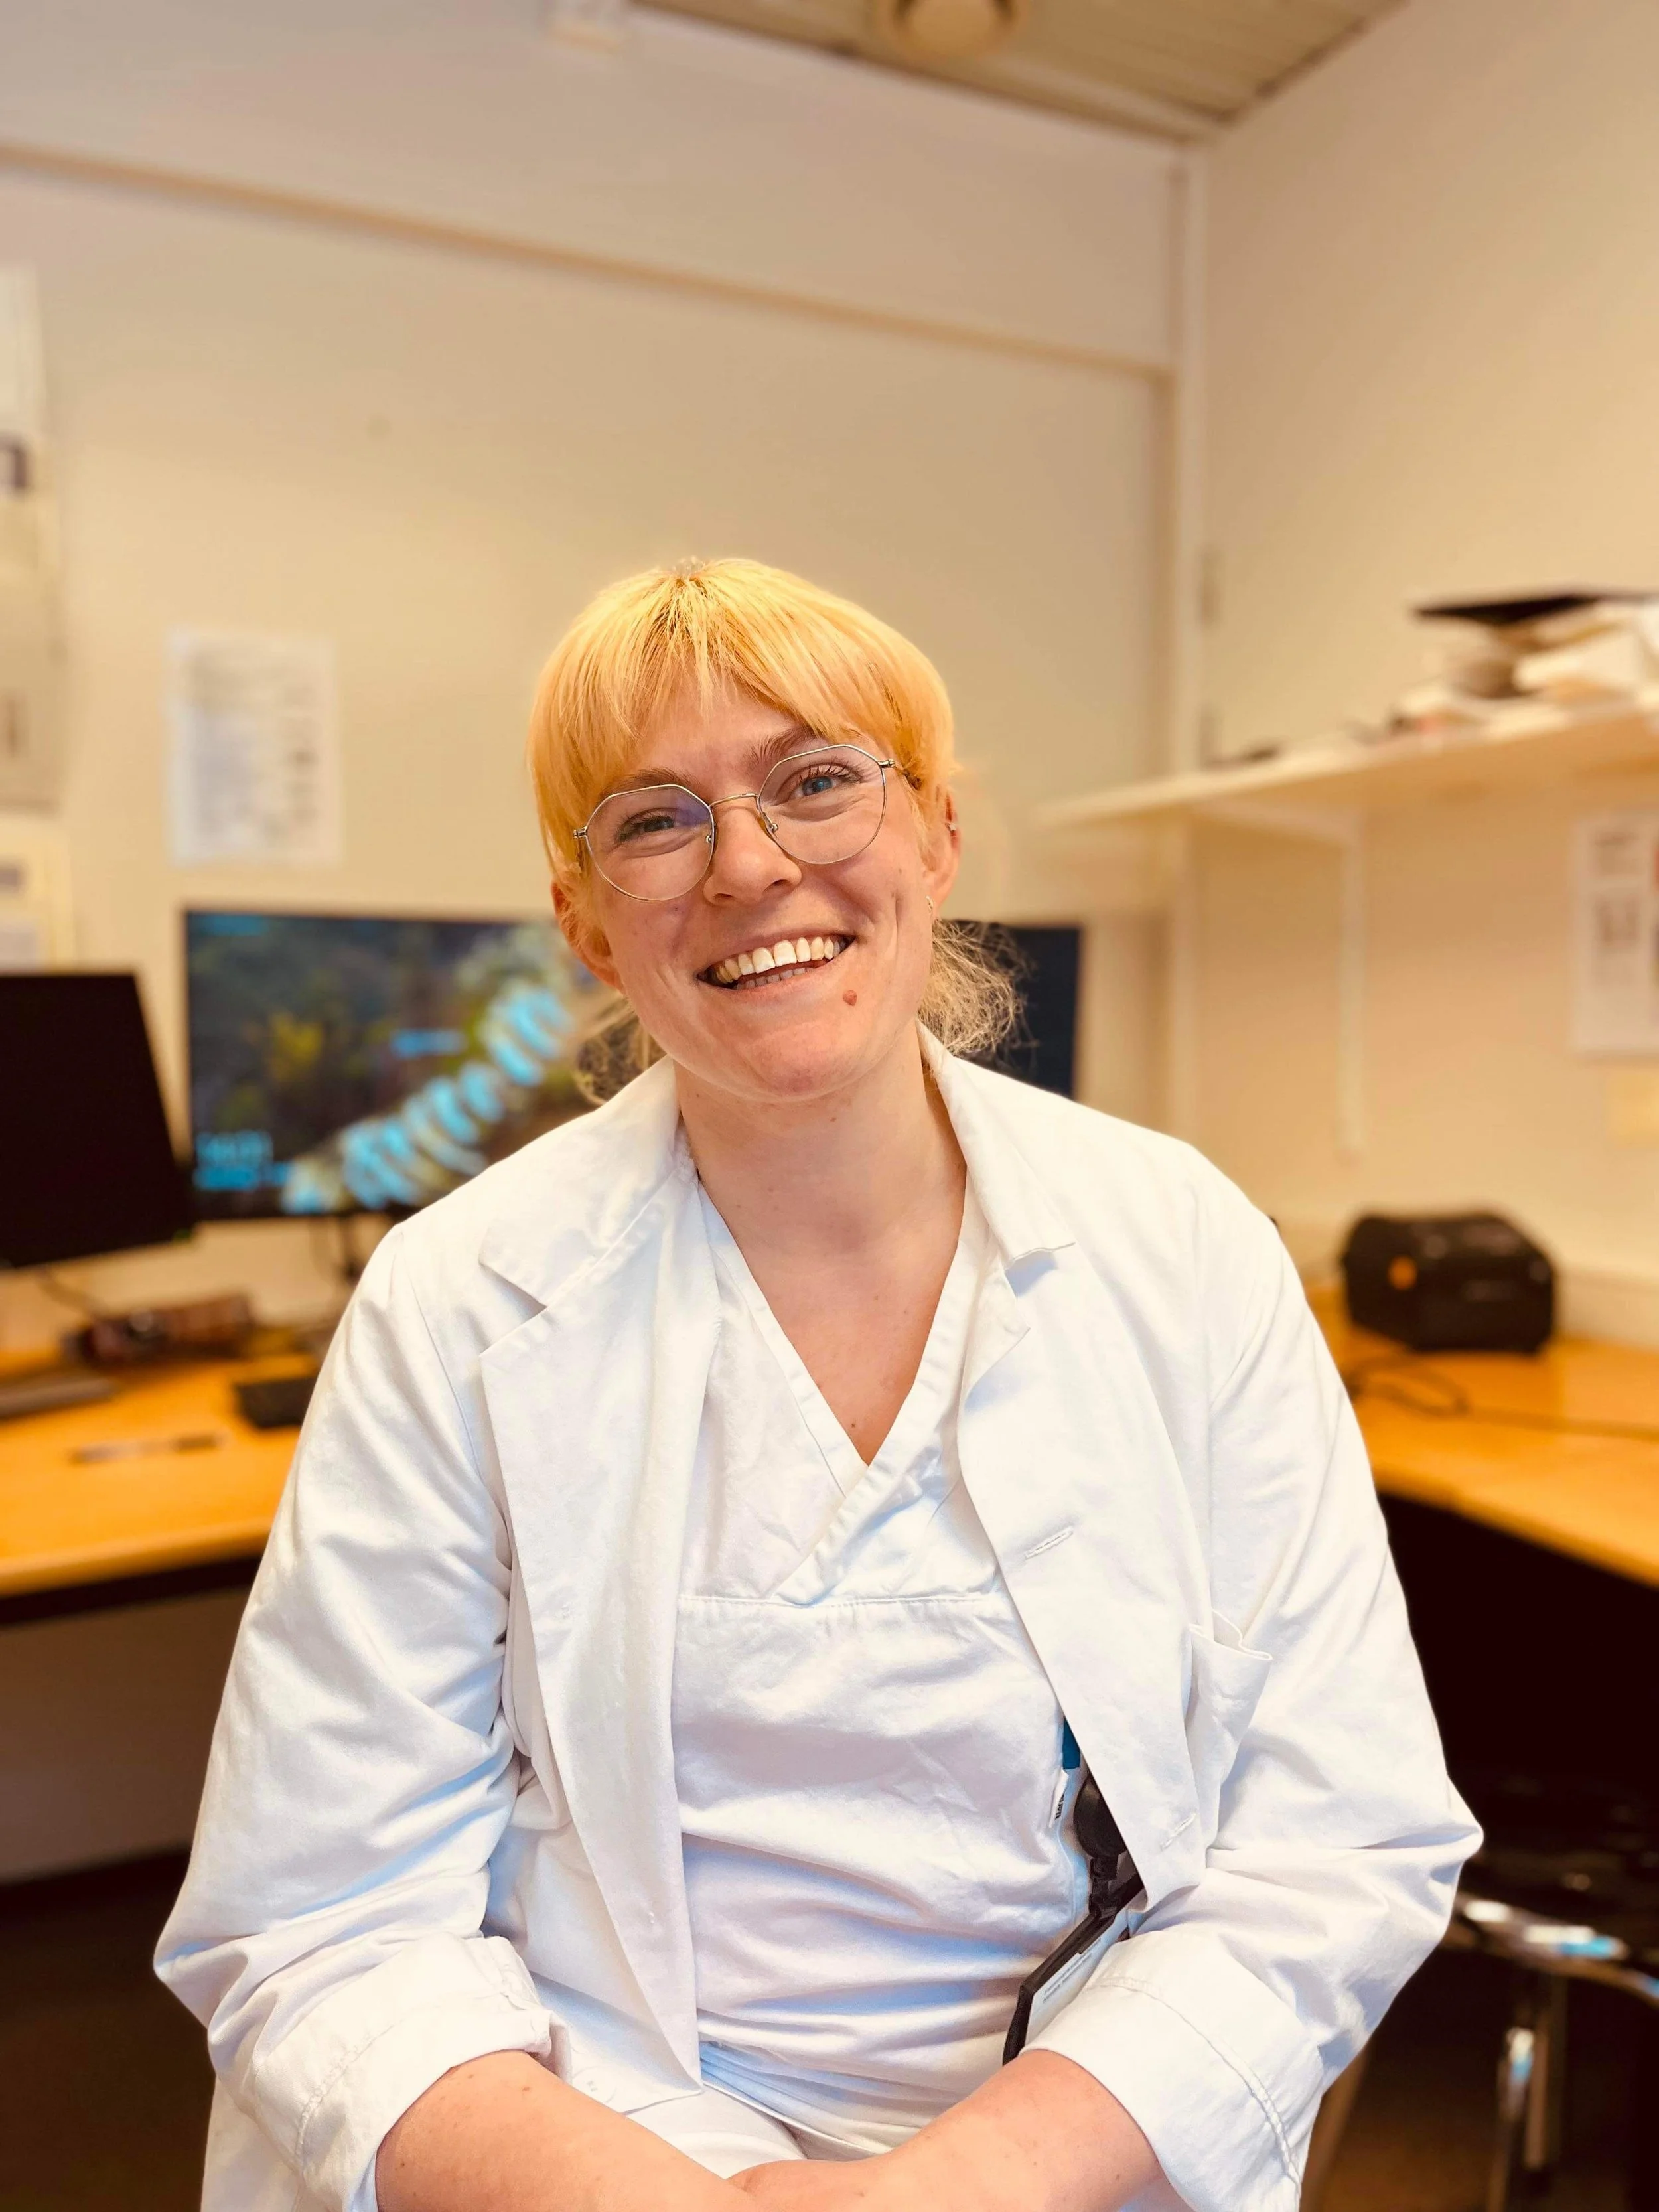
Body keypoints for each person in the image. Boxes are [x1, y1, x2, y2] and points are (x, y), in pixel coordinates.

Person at [157, 558, 1478, 2212]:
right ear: (583, 921)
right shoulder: (455, 1304)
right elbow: (323, 1917)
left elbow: (1333, 1835)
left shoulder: (1184, 1244)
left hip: (1082, 2138)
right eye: (655, 819)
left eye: (817, 781)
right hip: (588, 2135)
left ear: (934, 834)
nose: (749, 864)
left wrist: (958, 2187)